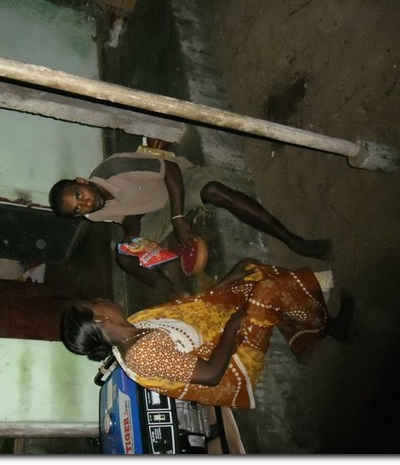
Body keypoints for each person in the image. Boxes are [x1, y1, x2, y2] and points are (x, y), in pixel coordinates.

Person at [60, 258, 353, 409]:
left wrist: (227, 282)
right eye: (95, 301)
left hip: (215, 337)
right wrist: (233, 325)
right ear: (99, 318)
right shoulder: (141, 355)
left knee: (251, 272)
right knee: (267, 292)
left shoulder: (135, 323)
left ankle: (303, 342)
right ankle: (330, 328)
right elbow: (211, 375)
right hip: (232, 364)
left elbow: (194, 309)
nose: (101, 298)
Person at [49, 151, 334, 296]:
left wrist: (178, 217)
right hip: (154, 213)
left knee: (214, 191)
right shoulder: (93, 214)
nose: (86, 204)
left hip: (177, 182)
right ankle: (176, 293)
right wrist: (132, 238)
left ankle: (293, 240)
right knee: (123, 257)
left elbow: (170, 168)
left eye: (80, 195)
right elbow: (128, 216)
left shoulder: (113, 169)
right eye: (78, 209)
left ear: (82, 181)